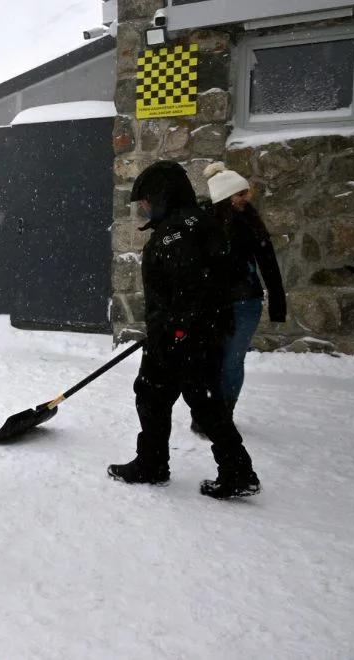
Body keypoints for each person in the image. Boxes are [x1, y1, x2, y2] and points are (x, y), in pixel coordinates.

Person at [108, 160, 261, 500]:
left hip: (181, 337)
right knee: (198, 403)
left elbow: (192, 287)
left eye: (146, 199)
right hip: (199, 333)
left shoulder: (176, 233)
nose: (144, 207)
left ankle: (155, 465)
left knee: (159, 397)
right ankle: (234, 470)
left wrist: (174, 331)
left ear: (163, 195)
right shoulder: (200, 222)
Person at [200, 161, 286, 424]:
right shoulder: (203, 224)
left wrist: (277, 304)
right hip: (212, 304)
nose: (246, 197)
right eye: (240, 193)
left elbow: (268, 263)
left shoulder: (251, 222)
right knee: (210, 360)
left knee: (232, 362)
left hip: (246, 303)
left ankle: (224, 415)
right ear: (225, 197)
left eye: (246, 192)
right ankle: (208, 412)